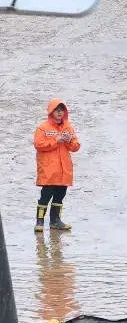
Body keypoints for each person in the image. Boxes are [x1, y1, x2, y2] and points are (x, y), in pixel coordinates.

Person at [33, 99, 79, 232]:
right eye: (57, 110)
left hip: (64, 170)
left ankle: (55, 221)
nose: (59, 112)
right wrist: (56, 140)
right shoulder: (43, 128)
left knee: (59, 196)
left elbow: (76, 147)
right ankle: (39, 222)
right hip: (49, 170)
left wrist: (69, 141)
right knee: (45, 196)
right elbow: (38, 144)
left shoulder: (68, 127)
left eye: (61, 110)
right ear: (51, 112)